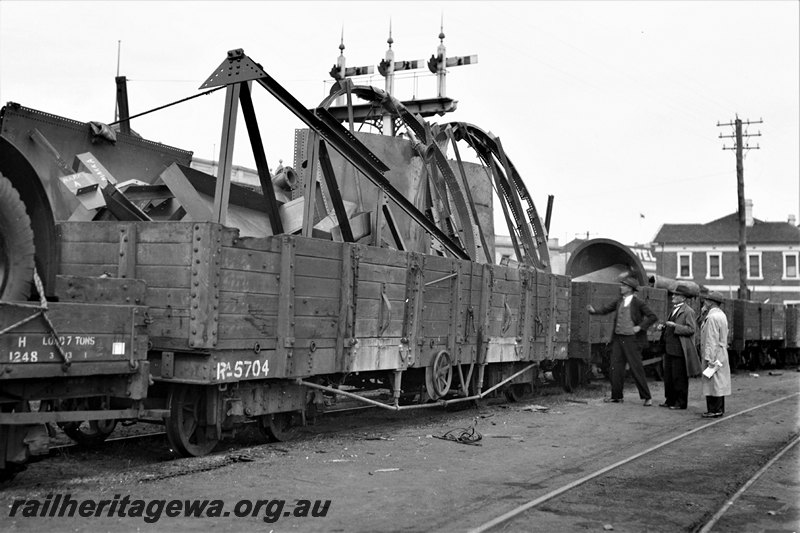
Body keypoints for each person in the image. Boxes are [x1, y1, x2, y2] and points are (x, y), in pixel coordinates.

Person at [587, 275, 657, 406]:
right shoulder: (619, 301)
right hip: (619, 339)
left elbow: (653, 317)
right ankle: (616, 396)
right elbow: (606, 309)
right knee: (615, 367)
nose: (621, 287)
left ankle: (647, 397)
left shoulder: (638, 303)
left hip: (632, 340)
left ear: (630, 289)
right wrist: (594, 311)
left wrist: (640, 327)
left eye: (623, 286)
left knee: (636, 368)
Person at [657, 283, 702, 410]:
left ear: (683, 298)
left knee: (679, 377)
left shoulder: (689, 311)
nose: (673, 296)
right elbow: (672, 325)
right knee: (669, 376)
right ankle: (670, 400)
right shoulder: (674, 309)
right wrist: (664, 327)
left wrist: (674, 326)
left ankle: (680, 403)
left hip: (679, 349)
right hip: (670, 347)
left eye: (676, 295)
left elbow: (691, 329)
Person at [699, 291, 731, 418]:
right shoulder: (721, 315)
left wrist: (709, 358)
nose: (704, 302)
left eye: (706, 300)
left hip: (714, 352)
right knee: (719, 381)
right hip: (721, 351)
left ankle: (714, 409)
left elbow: (711, 339)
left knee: (712, 381)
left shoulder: (712, 317)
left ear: (710, 302)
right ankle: (719, 408)